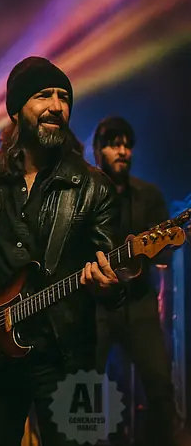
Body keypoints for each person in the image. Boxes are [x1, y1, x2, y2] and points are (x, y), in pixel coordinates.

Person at [0, 57, 123, 446]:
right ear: (16, 110)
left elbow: (113, 276)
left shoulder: (95, 188)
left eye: (64, 97)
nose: (56, 106)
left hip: (73, 355)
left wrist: (109, 286)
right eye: (43, 95)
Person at [92, 116, 176, 446]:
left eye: (127, 145)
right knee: (83, 386)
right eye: (114, 144)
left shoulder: (148, 195)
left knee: (160, 385)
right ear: (98, 150)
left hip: (138, 303)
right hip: (95, 307)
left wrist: (160, 248)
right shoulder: (85, 195)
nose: (123, 151)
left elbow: (164, 252)